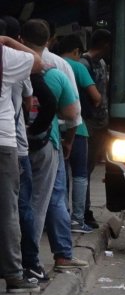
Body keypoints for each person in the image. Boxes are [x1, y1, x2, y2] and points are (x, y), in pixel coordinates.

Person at [21, 19, 88, 273]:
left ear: (20, 37)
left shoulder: (12, 66)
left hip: (15, 143)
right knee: (46, 200)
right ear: (49, 40)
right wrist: (67, 140)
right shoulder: (58, 69)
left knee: (17, 202)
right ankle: (44, 258)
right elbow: (73, 114)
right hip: (47, 142)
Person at [1, 31, 43, 294]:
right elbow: (37, 62)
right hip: (3, 141)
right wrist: (6, 40)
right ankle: (14, 273)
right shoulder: (4, 54)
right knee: (7, 211)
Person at [59, 33, 101, 233]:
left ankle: (59, 217)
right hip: (78, 127)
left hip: (54, 127)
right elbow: (96, 96)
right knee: (80, 174)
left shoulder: (50, 63)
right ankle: (77, 220)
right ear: (76, 51)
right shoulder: (78, 67)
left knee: (61, 174)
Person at [79, 28, 111, 229]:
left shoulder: (100, 63)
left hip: (101, 123)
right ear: (106, 45)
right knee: (85, 168)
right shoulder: (84, 64)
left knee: (90, 168)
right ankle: (83, 210)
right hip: (90, 123)